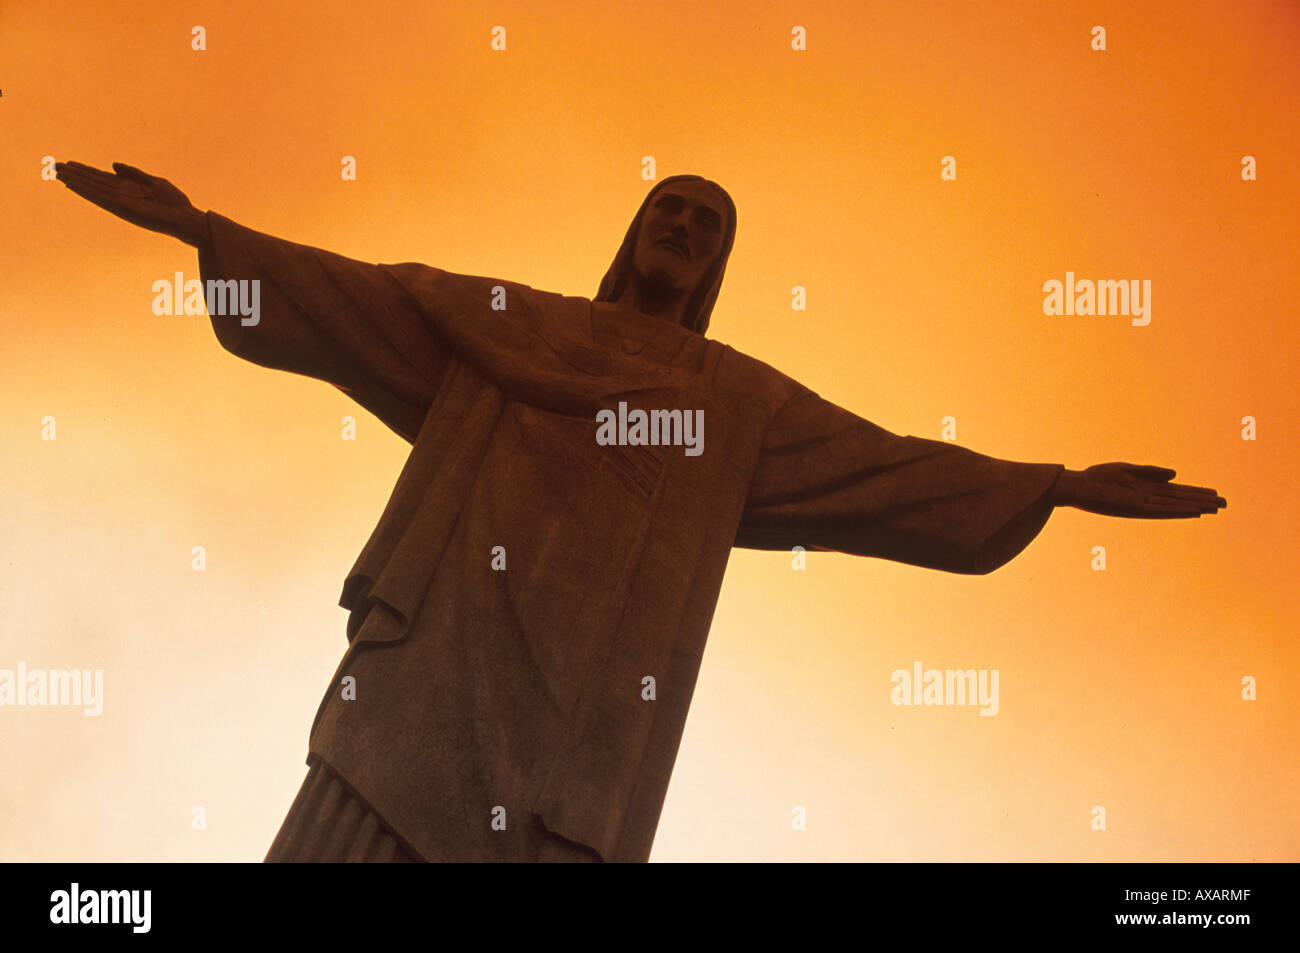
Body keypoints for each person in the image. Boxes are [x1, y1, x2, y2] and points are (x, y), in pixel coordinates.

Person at [54, 160, 1226, 862]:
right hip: (431, 668)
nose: (683, 225)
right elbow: (358, 296)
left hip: (587, 734)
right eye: (670, 205)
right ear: (631, 232)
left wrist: (1052, 484)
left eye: (707, 223)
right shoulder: (508, 319)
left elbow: (886, 468)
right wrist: (205, 231)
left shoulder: (739, 405)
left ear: (716, 266)